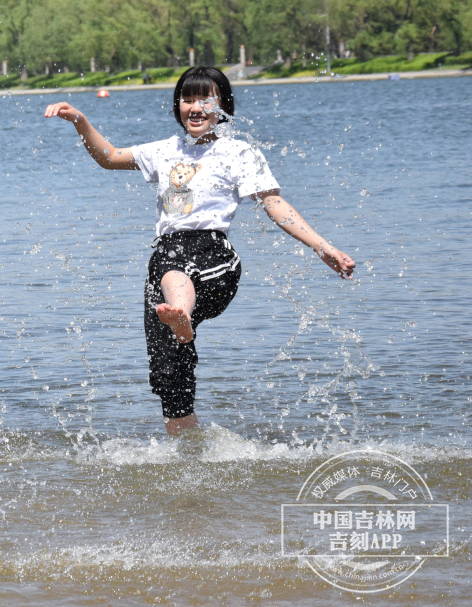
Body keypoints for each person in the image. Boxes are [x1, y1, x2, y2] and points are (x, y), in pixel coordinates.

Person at [44, 66, 355, 436]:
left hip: (213, 258)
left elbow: (273, 203)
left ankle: (182, 315)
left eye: (205, 100)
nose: (195, 108)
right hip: (165, 257)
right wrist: (79, 121)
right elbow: (109, 156)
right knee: (168, 371)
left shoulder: (238, 151)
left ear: (223, 106)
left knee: (175, 272)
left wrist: (322, 247)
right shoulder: (165, 151)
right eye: (187, 99)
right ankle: (189, 452)